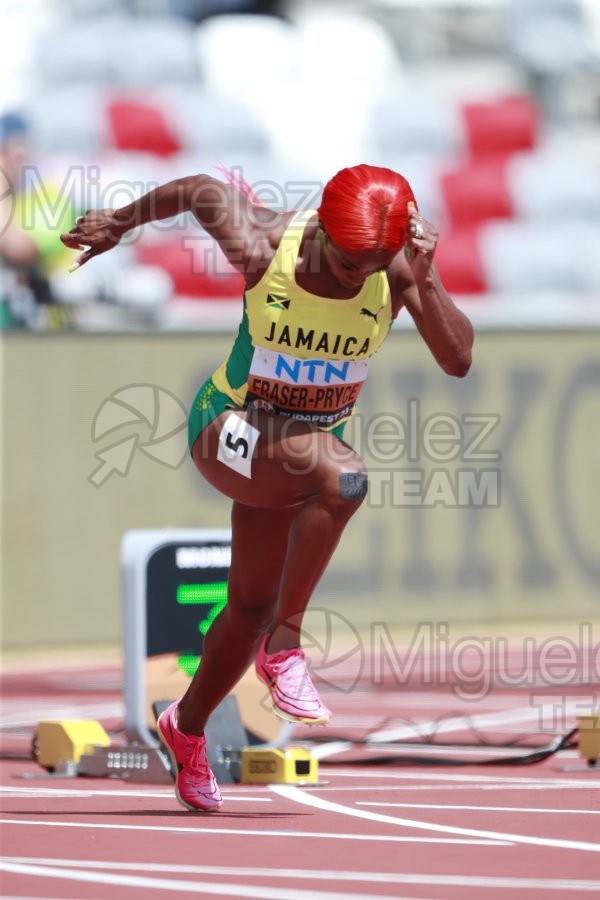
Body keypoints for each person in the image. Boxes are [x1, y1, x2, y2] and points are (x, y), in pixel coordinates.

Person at [61, 164, 473, 811]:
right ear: (322, 233)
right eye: (346, 262)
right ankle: (286, 649)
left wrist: (425, 275)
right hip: (227, 428)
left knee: (247, 604)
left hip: (293, 457)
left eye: (373, 264)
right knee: (347, 479)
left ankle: (187, 727)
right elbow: (199, 189)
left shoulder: (395, 267)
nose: (357, 276)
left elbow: (458, 360)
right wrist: (117, 223)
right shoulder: (264, 244)